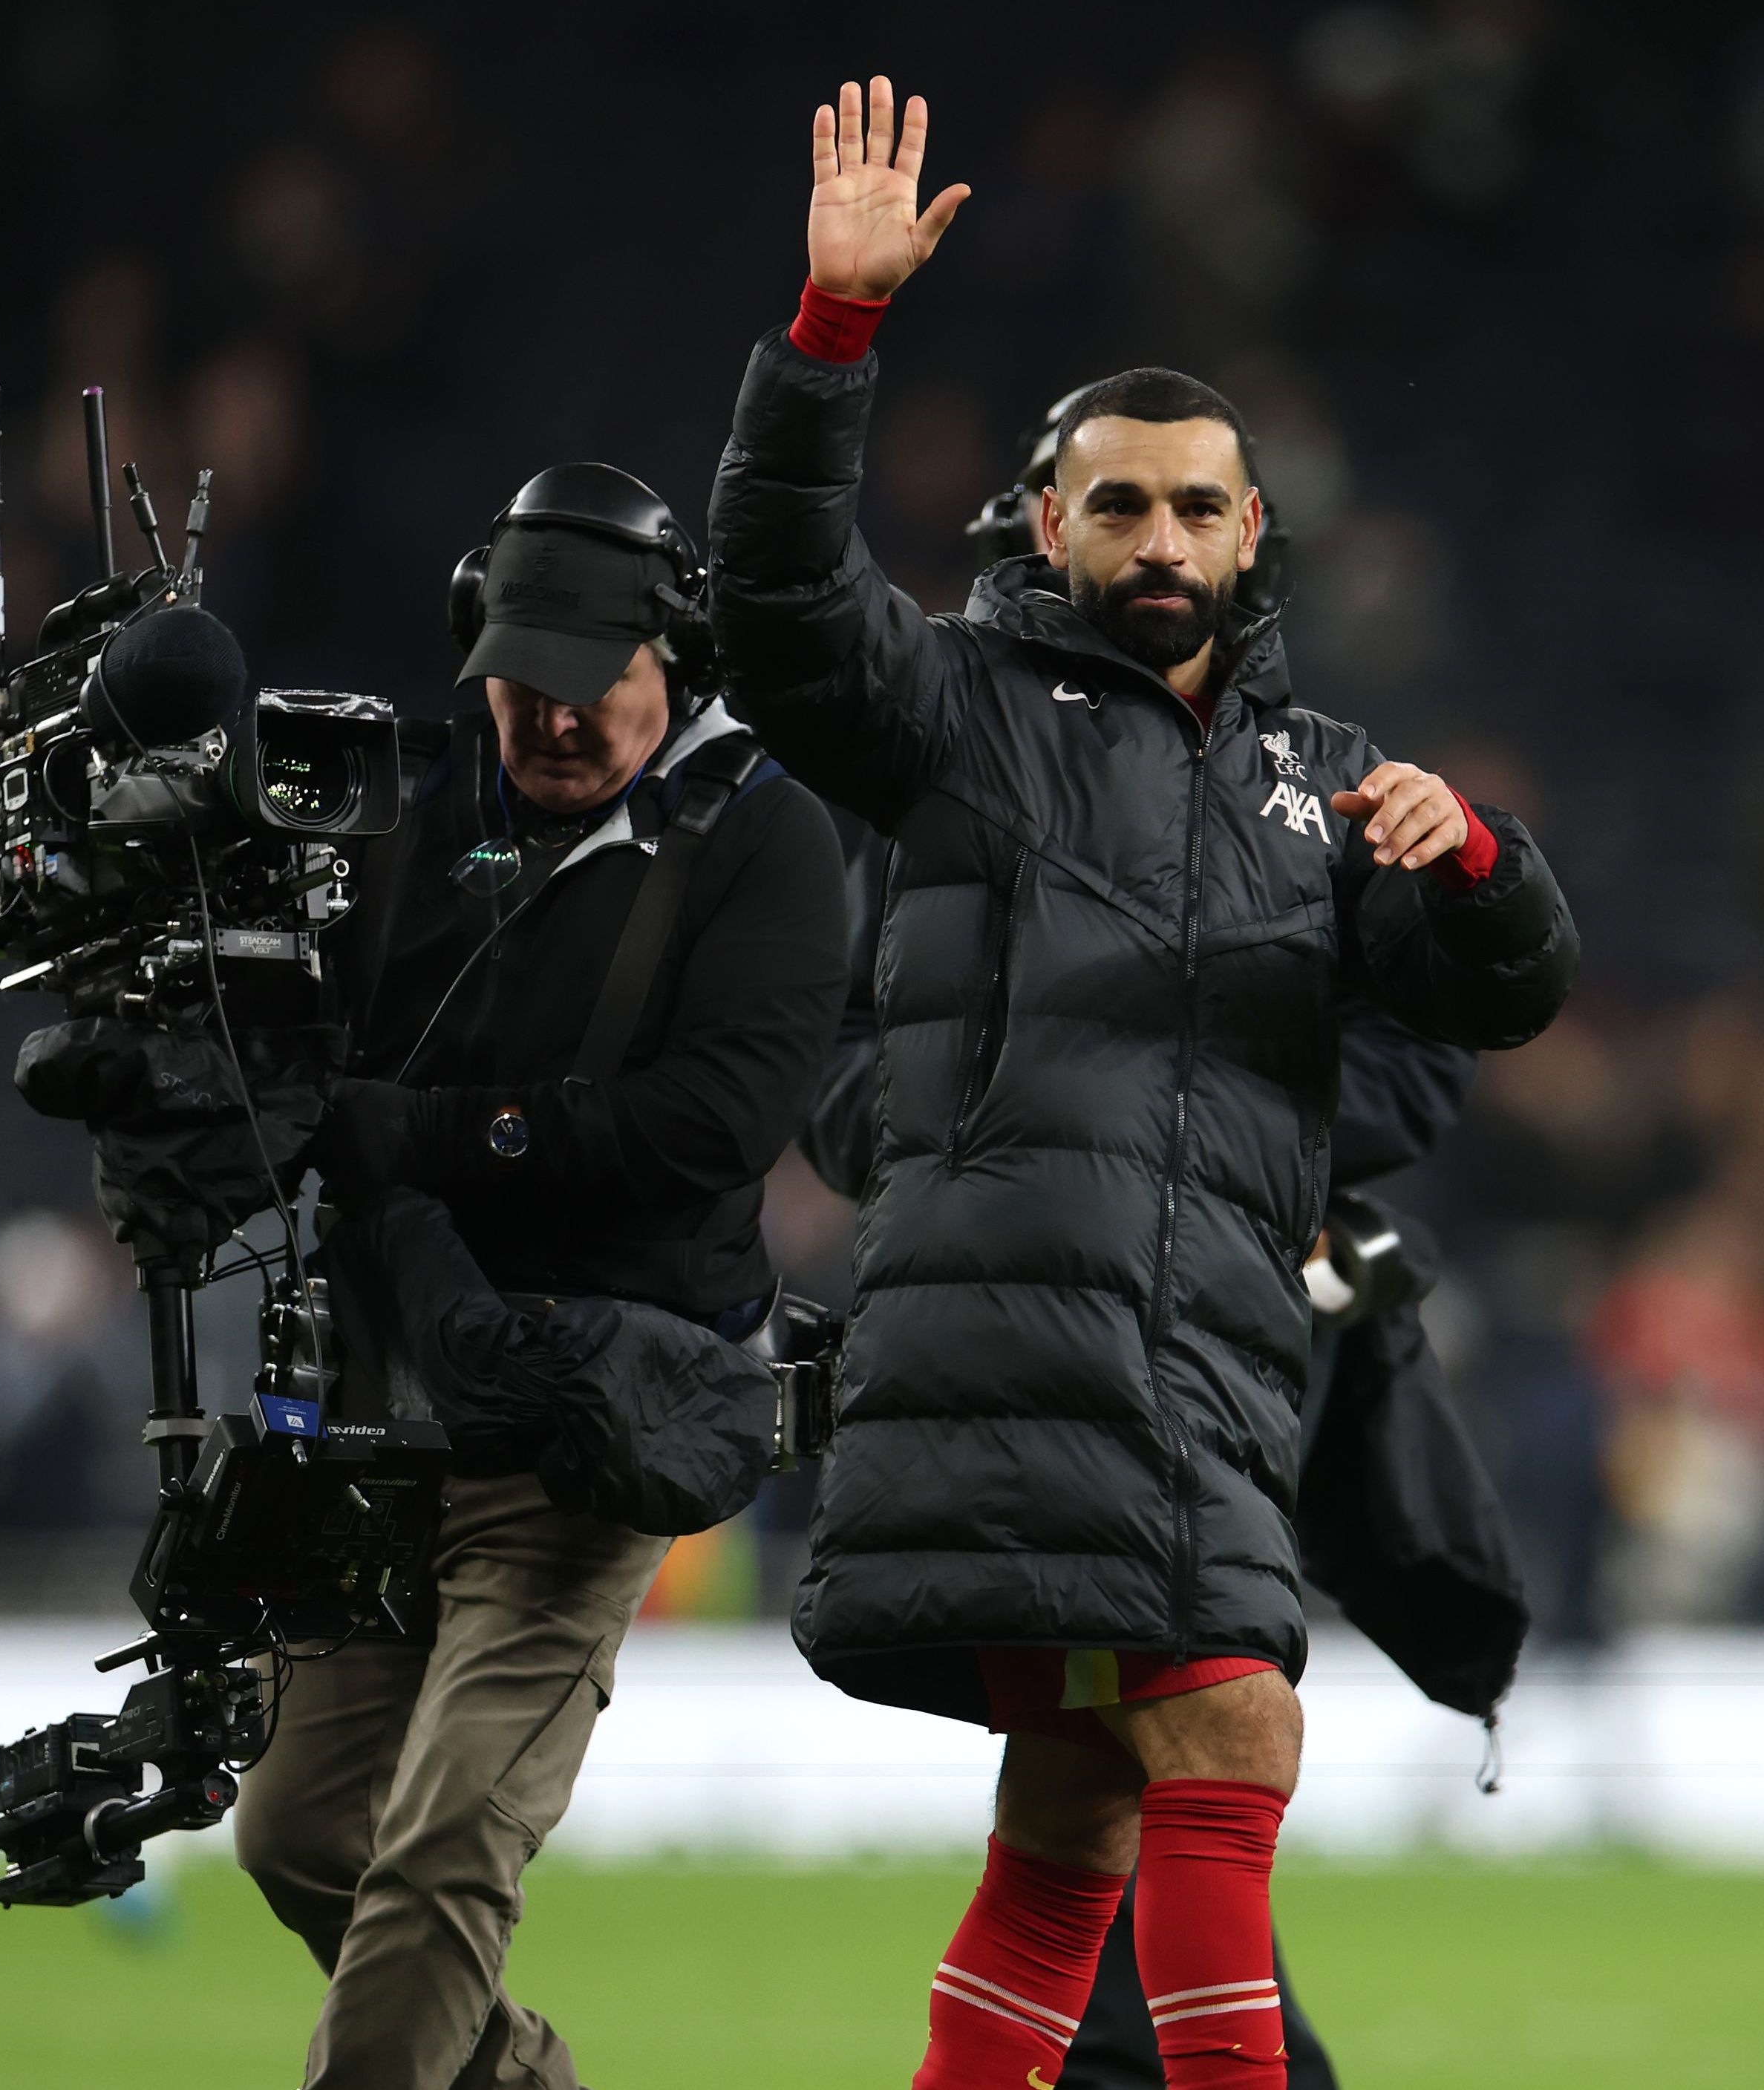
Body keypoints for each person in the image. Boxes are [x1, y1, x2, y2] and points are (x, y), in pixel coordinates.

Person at [710, 79, 1577, 2090]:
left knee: (1074, 1822)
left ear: (1253, 531)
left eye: (1197, 505)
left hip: (1189, 1360)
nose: (1162, 538)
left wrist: (1476, 860)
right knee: (1227, 1735)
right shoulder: (948, 710)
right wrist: (830, 335)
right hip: (1048, 1353)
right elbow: (767, 608)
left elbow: (1499, 1002)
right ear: (1045, 525)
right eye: (1120, 504)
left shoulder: (1316, 779)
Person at [226, 462, 849, 2090]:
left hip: (587, 1427)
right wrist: (419, 1221)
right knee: (295, 1835)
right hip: (385, 1416)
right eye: (518, 687)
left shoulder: (767, 835)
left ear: (680, 661)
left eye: (589, 690)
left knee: (440, 1854)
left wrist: (432, 1136)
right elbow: (321, 1112)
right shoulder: (413, 813)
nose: (549, 722)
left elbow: (716, 1124)